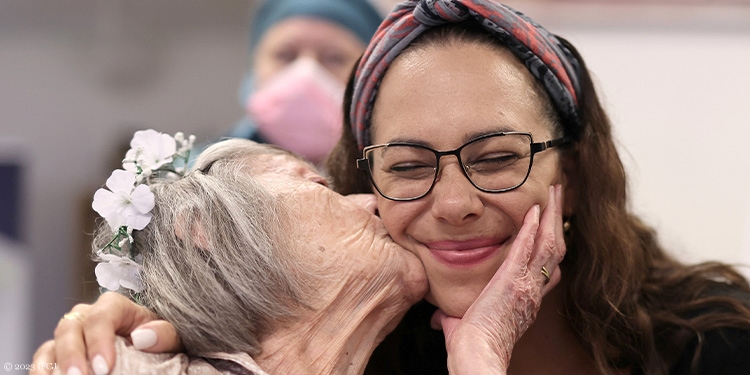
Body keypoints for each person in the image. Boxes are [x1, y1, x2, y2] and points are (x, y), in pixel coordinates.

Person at [34, 0, 750, 374]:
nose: (455, 202)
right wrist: (141, 315)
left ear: (575, 168)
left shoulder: (719, 342)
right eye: (407, 167)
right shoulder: (362, 349)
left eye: (497, 155)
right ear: (365, 181)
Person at [222, 0, 383, 166]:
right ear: (253, 66)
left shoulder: (395, 172)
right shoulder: (203, 174)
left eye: (333, 57)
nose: (306, 72)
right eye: (286, 55)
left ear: (371, 74)